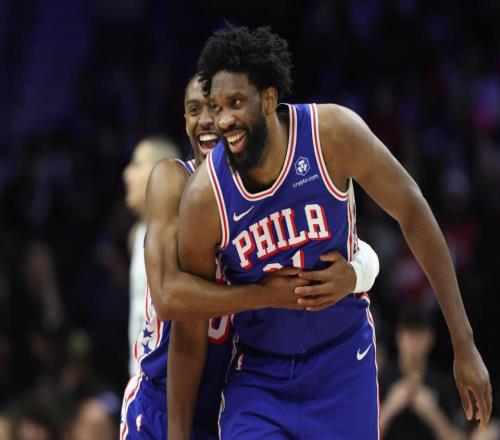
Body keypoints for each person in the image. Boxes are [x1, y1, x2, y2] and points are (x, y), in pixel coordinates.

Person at [173, 26, 492, 439]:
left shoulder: (331, 134)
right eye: (217, 107)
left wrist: (463, 342)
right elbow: (189, 324)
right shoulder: (204, 197)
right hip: (260, 377)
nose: (224, 120)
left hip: (342, 365)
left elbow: (413, 210)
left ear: (268, 98)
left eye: (236, 103)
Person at [119, 75, 380, 439]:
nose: (207, 121)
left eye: (216, 109)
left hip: (229, 398)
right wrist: (263, 294)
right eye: (195, 110)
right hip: (163, 398)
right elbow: (169, 297)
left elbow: (353, 251)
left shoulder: (257, 191)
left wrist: (354, 274)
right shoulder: (174, 181)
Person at [122, 137, 180, 376]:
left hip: (169, 376)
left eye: (137, 164)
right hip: (140, 374)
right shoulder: (136, 235)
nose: (127, 174)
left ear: (162, 173)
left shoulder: (181, 234)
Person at [379, 308, 466, 440]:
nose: (414, 342)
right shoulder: (381, 379)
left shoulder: (442, 383)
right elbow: (363, 434)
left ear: (430, 338)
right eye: (409, 334)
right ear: (399, 337)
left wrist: (433, 414)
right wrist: (390, 407)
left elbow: (459, 437)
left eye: (419, 335)